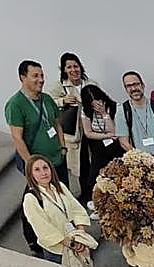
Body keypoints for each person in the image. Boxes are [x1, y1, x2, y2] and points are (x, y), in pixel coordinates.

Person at [7, 61, 67, 256]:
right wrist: (31, 164)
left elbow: (56, 123)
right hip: (39, 165)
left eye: (42, 75)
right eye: (35, 76)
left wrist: (63, 146)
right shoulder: (16, 104)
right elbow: (17, 137)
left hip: (57, 158)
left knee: (61, 195)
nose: (40, 80)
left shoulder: (47, 99)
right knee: (35, 200)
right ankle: (33, 240)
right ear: (22, 77)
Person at [21, 154, 95, 267]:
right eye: (37, 170)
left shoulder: (60, 186)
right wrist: (70, 243)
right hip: (57, 252)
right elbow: (43, 228)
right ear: (31, 175)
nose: (43, 172)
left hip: (76, 239)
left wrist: (80, 234)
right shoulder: (30, 198)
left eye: (45, 168)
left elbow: (77, 209)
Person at [49, 53, 95, 198]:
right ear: (63, 69)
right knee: (77, 166)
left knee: (92, 164)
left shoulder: (90, 84)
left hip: (92, 130)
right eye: (69, 67)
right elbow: (49, 104)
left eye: (76, 66)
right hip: (73, 134)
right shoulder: (59, 86)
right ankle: (78, 196)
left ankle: (91, 195)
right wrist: (63, 101)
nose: (73, 70)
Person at [78, 84, 122, 198]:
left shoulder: (114, 107)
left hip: (115, 146)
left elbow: (114, 131)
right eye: (93, 104)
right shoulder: (85, 111)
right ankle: (94, 198)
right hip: (97, 144)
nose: (96, 105)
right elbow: (88, 133)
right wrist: (106, 135)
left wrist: (104, 114)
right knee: (94, 174)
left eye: (98, 101)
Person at [116, 71, 154, 155]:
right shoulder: (122, 111)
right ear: (126, 89)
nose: (133, 89)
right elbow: (124, 142)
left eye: (136, 84)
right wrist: (143, 160)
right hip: (139, 165)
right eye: (129, 86)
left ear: (143, 85)